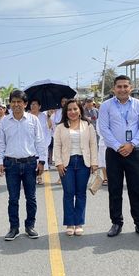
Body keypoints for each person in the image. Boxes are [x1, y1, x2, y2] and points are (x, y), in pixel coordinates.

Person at [98, 75, 139, 238]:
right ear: (114, 88)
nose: (122, 89)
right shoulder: (106, 106)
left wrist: (132, 144)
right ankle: (116, 222)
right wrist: (117, 146)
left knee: (136, 190)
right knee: (114, 190)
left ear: (131, 88)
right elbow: (103, 128)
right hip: (114, 153)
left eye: (125, 86)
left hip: (134, 152)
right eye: (119, 86)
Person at [0, 90, 47, 241]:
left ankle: (30, 226)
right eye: (13, 102)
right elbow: (1, 143)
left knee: (31, 198)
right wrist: (0, 162)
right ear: (10, 104)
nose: (16, 104)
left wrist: (42, 161)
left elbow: (40, 141)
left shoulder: (33, 120)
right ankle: (14, 228)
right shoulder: (5, 121)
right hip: (11, 164)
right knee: (13, 198)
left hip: (30, 164)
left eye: (19, 102)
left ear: (25, 104)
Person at [54, 99, 98, 236]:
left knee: (81, 193)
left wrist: (94, 163)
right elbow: (57, 146)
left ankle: (78, 223)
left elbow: (93, 144)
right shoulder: (60, 127)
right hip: (67, 163)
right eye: (69, 109)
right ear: (65, 112)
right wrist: (58, 163)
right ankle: (69, 223)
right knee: (68, 193)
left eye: (75, 109)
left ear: (80, 110)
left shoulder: (88, 125)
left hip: (83, 163)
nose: (72, 112)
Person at [29, 98, 53, 185]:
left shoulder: (44, 116)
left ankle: (39, 176)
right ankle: (31, 177)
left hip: (42, 142)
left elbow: (49, 127)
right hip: (30, 142)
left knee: (41, 160)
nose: (33, 106)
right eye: (32, 104)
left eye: (35, 104)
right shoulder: (27, 116)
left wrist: (49, 117)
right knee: (32, 160)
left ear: (39, 106)